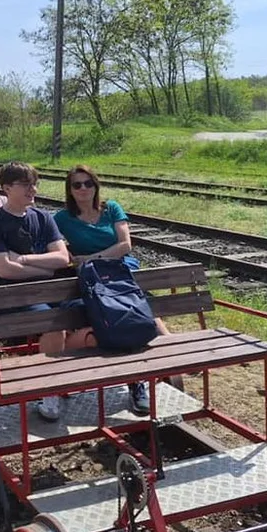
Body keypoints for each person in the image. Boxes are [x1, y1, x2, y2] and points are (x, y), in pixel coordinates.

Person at [53, 165, 167, 416]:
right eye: (77, 185)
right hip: (95, 279)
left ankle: (159, 360)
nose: (83, 189)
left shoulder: (111, 208)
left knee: (126, 309)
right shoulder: (62, 218)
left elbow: (125, 244)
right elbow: (49, 240)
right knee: (118, 315)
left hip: (120, 271)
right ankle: (141, 379)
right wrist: (68, 255)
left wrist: (92, 258)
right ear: (69, 190)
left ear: (96, 186)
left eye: (88, 183)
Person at [0, 161, 73, 421]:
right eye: (26, 184)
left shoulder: (43, 217)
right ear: (7, 188)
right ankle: (48, 388)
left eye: (35, 183)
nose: (33, 189)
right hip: (10, 296)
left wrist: (24, 260)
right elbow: (3, 270)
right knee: (53, 323)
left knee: (86, 313)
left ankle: (62, 373)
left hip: (48, 290)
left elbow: (62, 259)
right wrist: (45, 266)